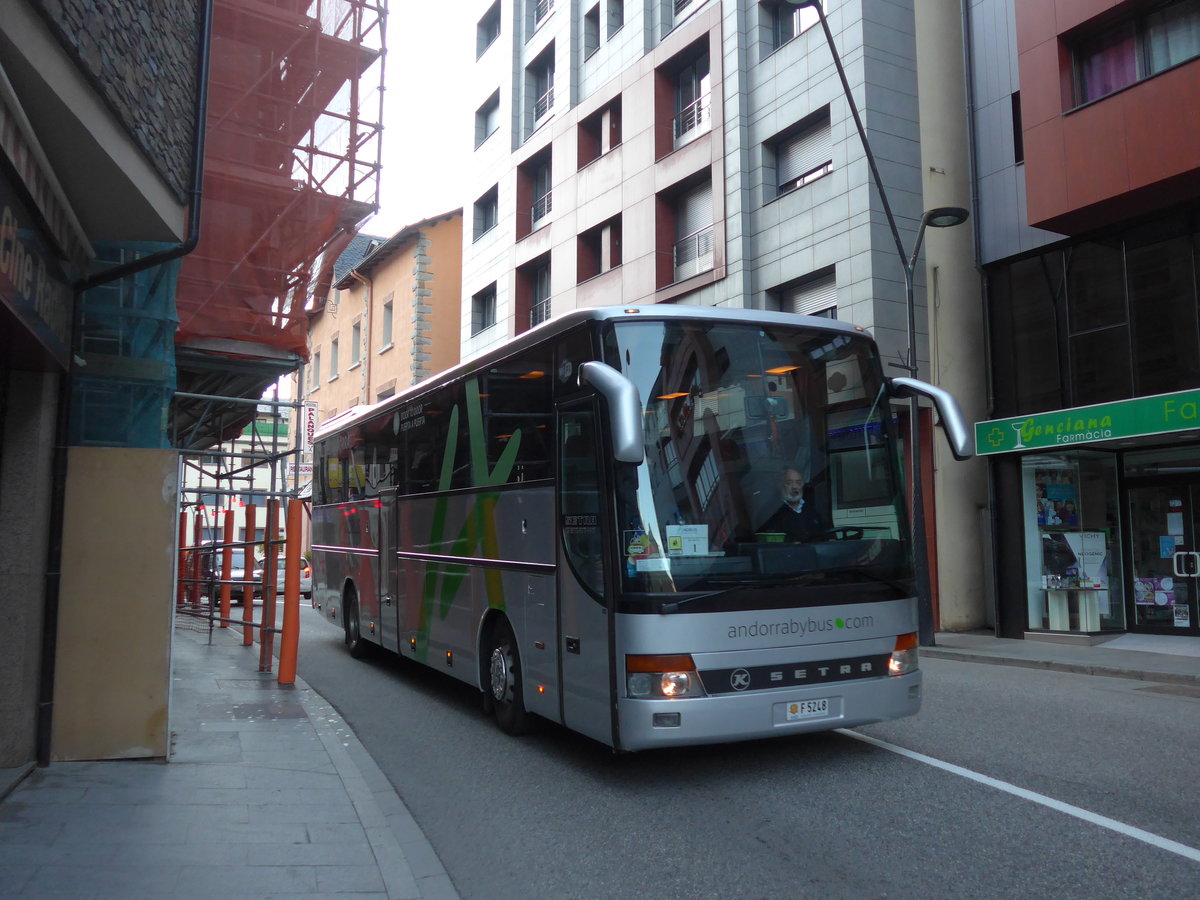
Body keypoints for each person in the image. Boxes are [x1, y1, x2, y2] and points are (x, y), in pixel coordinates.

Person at [758, 467, 829, 542]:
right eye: (789, 482)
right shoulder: (770, 512)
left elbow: (826, 534)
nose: (795, 487)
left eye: (798, 482)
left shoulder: (813, 510)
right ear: (779, 485)